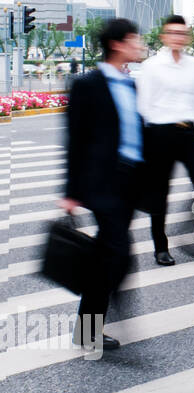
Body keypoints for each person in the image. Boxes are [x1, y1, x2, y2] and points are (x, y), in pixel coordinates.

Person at [59, 18, 147, 353]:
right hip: (102, 183)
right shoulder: (87, 85)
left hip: (129, 181)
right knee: (117, 251)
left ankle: (87, 326)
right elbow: (74, 139)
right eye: (134, 40)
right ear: (117, 44)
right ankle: (99, 318)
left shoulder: (131, 84)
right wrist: (70, 191)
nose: (139, 45)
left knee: (107, 255)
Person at [135, 14, 194, 266]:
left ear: (187, 37)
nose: (178, 37)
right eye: (173, 33)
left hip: (188, 132)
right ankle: (160, 246)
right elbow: (143, 105)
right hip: (160, 134)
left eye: (182, 33)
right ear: (164, 37)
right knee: (160, 193)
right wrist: (146, 141)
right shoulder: (151, 66)